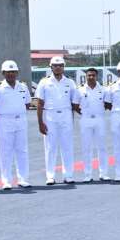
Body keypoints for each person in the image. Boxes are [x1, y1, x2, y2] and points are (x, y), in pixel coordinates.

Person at [0, 59, 31, 189]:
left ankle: (23, 179)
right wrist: (1, 117)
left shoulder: (23, 86)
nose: (11, 74)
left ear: (17, 73)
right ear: (3, 73)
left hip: (20, 120)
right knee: (5, 151)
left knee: (22, 150)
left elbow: (27, 103)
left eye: (13, 72)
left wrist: (18, 113)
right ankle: (6, 180)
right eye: (8, 72)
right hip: (5, 121)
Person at [36, 56, 79, 185]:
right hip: (50, 116)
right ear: (51, 67)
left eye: (60, 65)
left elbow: (74, 102)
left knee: (67, 146)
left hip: (65, 114)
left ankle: (68, 175)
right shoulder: (44, 82)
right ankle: (50, 176)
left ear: (64, 67)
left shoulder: (70, 83)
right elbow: (39, 103)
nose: (58, 67)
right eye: (55, 65)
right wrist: (40, 122)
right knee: (50, 147)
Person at [76, 67, 109, 181]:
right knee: (86, 148)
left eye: (93, 75)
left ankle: (103, 173)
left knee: (102, 147)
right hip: (86, 120)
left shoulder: (103, 89)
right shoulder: (80, 90)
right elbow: (75, 105)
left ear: (97, 76)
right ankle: (87, 174)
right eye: (89, 75)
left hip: (99, 119)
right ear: (86, 76)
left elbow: (107, 104)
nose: (91, 77)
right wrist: (84, 113)